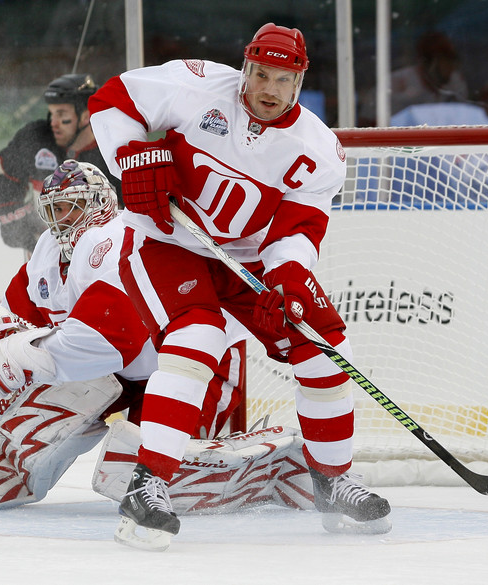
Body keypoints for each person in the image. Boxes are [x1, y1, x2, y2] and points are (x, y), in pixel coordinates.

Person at [88, 22, 392, 550]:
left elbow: (296, 230)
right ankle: (148, 486)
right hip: (164, 240)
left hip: (245, 260)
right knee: (196, 337)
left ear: (299, 82)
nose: (269, 90)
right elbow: (111, 100)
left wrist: (289, 277)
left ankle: (333, 480)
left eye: (283, 79)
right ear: (244, 68)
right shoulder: (195, 85)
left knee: (325, 347)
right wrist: (130, 157)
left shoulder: (319, 149)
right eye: (261, 75)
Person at [0, 160, 255, 510]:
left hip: (192, 362)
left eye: (69, 208)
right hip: (125, 368)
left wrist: (5, 361)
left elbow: (107, 345)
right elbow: (19, 317)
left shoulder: (115, 240)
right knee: (47, 398)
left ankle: (260, 473)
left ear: (99, 204)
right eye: (53, 210)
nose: (60, 220)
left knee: (143, 476)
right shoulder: (48, 253)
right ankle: (14, 467)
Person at [0, 74, 121, 255]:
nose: (54, 123)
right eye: (52, 113)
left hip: (100, 256)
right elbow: (0, 174)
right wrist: (22, 225)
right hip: (46, 258)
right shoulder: (36, 138)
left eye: (62, 115)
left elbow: (127, 216)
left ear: (85, 116)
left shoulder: (111, 147)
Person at [389, 30, 469, 117]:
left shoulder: (455, 80)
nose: (451, 66)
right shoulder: (398, 81)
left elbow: (465, 116)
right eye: (446, 59)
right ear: (430, 62)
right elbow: (378, 122)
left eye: (453, 59)